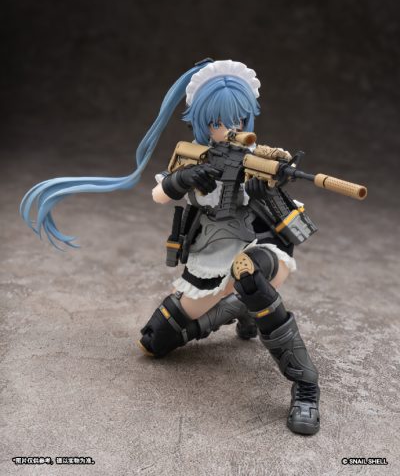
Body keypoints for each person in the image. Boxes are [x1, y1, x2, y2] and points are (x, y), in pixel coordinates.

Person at [20, 57, 321, 437]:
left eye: (239, 120)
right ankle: (237, 309)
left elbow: (275, 179)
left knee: (249, 275)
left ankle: (305, 384)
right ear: (201, 122)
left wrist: (265, 187)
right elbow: (159, 194)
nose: (230, 128)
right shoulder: (198, 155)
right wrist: (186, 179)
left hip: (257, 243)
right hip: (212, 251)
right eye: (218, 122)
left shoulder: (259, 156)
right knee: (154, 340)